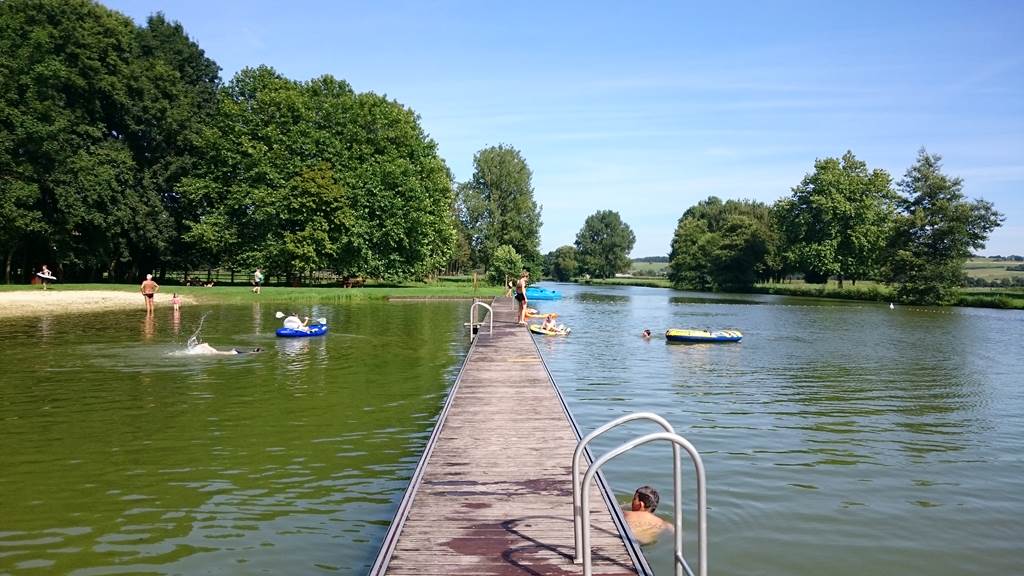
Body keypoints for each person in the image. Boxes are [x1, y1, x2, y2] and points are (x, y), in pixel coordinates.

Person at [188, 343, 263, 356]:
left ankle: (206, 346)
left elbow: (252, 352)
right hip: (234, 353)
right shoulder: (251, 353)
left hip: (235, 352)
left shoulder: (250, 352)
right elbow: (252, 353)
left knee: (215, 352)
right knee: (215, 352)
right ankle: (206, 345)